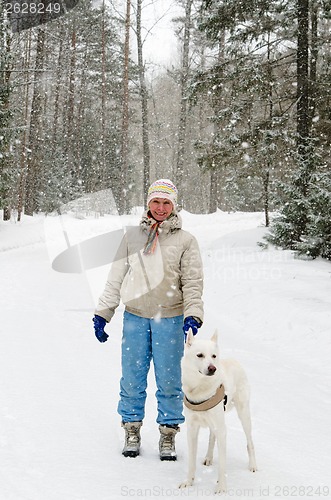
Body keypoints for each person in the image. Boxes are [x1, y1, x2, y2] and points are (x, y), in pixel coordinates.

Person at [92, 179, 204, 460]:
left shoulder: (185, 240)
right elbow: (115, 278)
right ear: (148, 204)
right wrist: (103, 312)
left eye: (167, 203)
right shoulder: (131, 238)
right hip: (135, 318)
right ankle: (132, 428)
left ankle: (168, 433)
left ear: (174, 206)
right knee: (132, 378)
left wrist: (193, 314)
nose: (161, 208)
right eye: (156, 201)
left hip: (170, 318)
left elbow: (192, 282)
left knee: (169, 379)